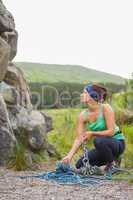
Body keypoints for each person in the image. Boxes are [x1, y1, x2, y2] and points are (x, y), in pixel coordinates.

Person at [61, 83, 125, 173]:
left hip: (117, 143)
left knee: (98, 141)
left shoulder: (105, 108)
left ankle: (112, 165)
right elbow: (80, 138)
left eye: (84, 92)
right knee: (80, 165)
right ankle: (109, 161)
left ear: (93, 95)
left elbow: (111, 132)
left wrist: (92, 133)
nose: (81, 95)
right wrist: (69, 156)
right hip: (102, 147)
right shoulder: (83, 115)